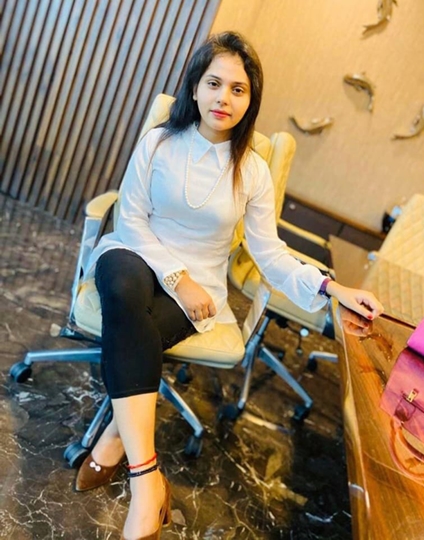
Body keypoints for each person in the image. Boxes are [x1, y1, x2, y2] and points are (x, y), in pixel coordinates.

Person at [74, 31, 384, 540]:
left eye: (238, 89)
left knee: (135, 335)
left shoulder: (253, 172)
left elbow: (269, 254)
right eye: (214, 83)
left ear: (250, 100)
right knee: (126, 291)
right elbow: (130, 220)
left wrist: (333, 287)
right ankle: (147, 482)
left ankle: (114, 437)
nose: (224, 98)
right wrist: (177, 279)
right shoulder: (159, 142)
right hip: (133, 253)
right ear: (195, 87)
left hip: (201, 285)